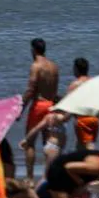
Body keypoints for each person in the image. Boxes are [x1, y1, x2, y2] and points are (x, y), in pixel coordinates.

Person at [20, 38, 59, 183]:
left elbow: (31, 90)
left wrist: (21, 108)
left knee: (30, 142)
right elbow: (55, 92)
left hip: (39, 106)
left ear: (33, 50)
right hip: (51, 106)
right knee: (48, 143)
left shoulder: (36, 66)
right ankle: (48, 175)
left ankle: (30, 178)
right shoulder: (54, 67)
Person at [68, 58, 99, 150]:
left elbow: (68, 104)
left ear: (76, 69)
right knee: (81, 146)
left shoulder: (74, 85)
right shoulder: (95, 83)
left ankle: (95, 160)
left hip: (82, 119)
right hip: (95, 119)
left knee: (89, 145)